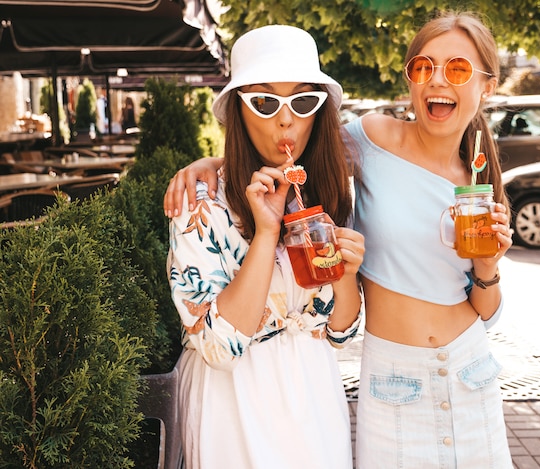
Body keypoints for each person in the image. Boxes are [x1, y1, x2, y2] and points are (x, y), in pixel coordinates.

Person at [164, 12, 515, 468]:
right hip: (388, 377)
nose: (438, 81)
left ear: (486, 86)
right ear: (410, 79)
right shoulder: (371, 140)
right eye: (424, 67)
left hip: (469, 367)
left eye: (459, 69)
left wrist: (488, 269)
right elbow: (289, 144)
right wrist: (211, 163)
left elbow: (485, 313)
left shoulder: (479, 180)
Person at [166, 25, 365, 469]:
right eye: (264, 101)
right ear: (238, 110)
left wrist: (347, 274)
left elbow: (341, 333)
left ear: (319, 111)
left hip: (313, 392)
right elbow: (218, 349)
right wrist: (267, 232)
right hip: (232, 402)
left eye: (302, 101)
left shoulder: (328, 193)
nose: (285, 119)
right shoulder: (200, 201)